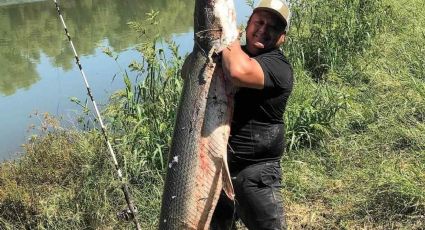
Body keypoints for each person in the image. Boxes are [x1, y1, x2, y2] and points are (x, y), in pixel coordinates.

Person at [211, 0, 293, 229]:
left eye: (273, 27)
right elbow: (188, 73)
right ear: (248, 24)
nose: (263, 29)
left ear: (282, 37)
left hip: (255, 172)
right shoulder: (234, 54)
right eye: (259, 21)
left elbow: (238, 72)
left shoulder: (278, 67)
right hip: (219, 168)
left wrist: (227, 32)